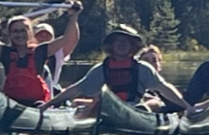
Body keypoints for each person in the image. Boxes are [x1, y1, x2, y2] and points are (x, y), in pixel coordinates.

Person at [45, 24, 193, 113]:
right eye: (118, 42)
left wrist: (186, 106)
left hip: (135, 109)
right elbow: (76, 89)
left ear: (132, 46)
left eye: (126, 42)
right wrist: (48, 105)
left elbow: (164, 88)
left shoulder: (142, 68)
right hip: (109, 110)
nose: (122, 45)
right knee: (93, 108)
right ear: (112, 46)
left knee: (145, 109)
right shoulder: (101, 69)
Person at [0, 0, 81, 106]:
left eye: (23, 30)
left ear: (30, 33)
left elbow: (66, 38)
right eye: (15, 31)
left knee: (40, 105)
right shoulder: (5, 53)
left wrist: (73, 16)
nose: (19, 35)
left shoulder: (40, 51)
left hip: (36, 103)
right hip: (12, 102)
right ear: (10, 34)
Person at [34, 21, 79, 93]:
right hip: (32, 88)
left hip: (51, 90)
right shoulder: (28, 51)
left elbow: (72, 39)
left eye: (47, 36)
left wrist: (73, 17)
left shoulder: (58, 52)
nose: (44, 39)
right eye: (40, 36)